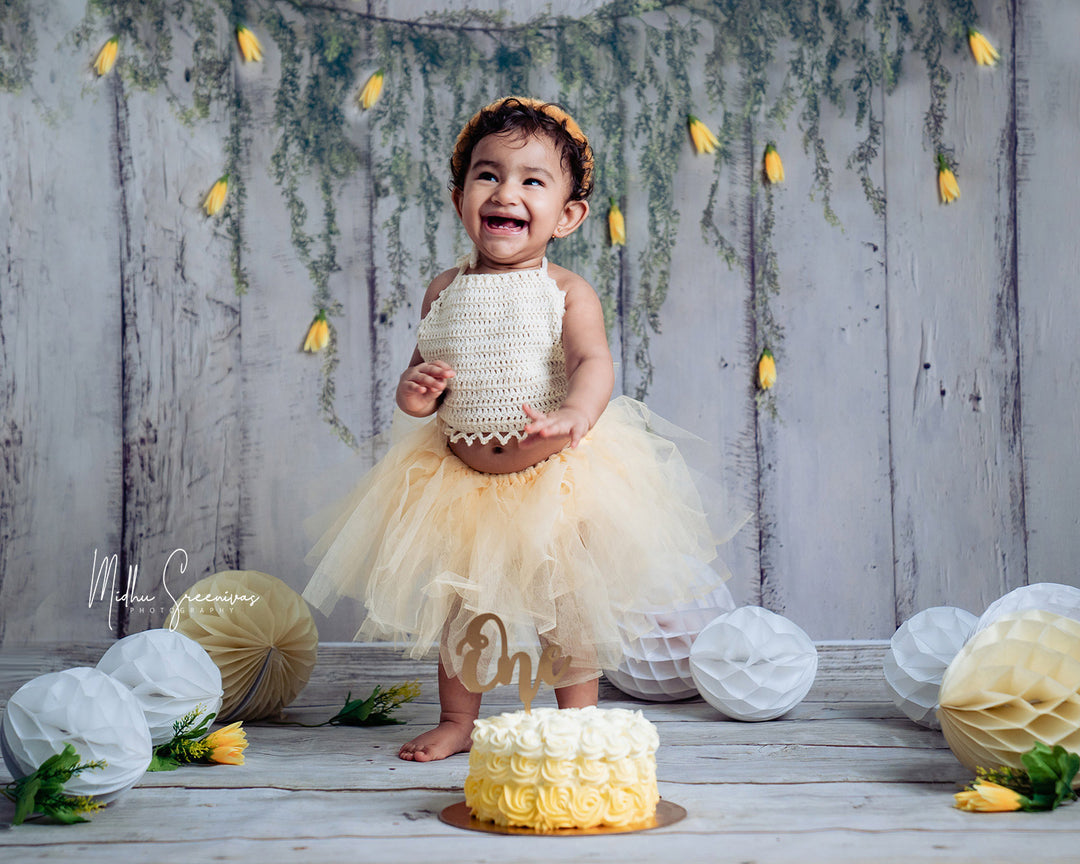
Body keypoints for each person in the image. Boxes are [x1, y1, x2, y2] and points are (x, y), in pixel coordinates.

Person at [303, 96, 740, 762]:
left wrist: (575, 415)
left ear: (567, 215)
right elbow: (422, 375)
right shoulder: (443, 289)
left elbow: (594, 362)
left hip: (551, 477)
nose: (506, 191)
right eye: (488, 174)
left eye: (532, 180)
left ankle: (577, 721)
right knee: (461, 609)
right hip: (461, 483)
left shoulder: (566, 290)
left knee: (567, 606)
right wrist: (415, 394)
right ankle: (457, 719)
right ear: (459, 198)